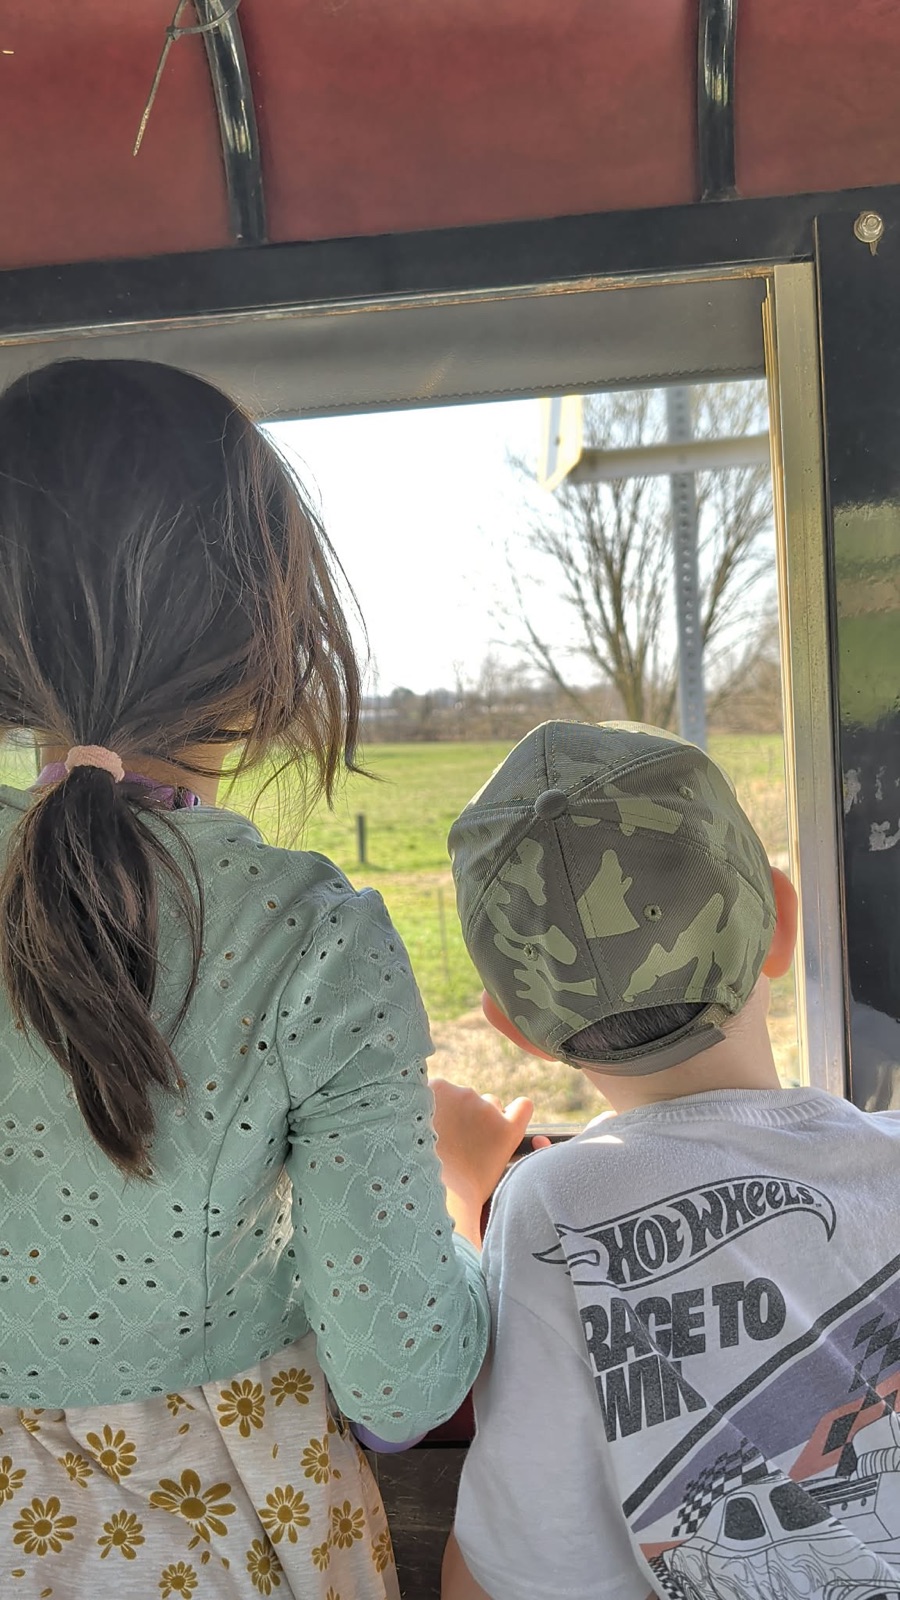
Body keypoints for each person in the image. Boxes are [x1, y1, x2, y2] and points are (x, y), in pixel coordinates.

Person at [0, 358, 531, 1600]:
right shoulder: (313, 940)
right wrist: (463, 1195)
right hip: (242, 1530)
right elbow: (402, 1377)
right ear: (262, 649)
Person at [438, 720, 900, 1600]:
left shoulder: (556, 1202)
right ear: (783, 921)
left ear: (517, 1029)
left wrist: (470, 1195)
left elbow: (513, 1574)